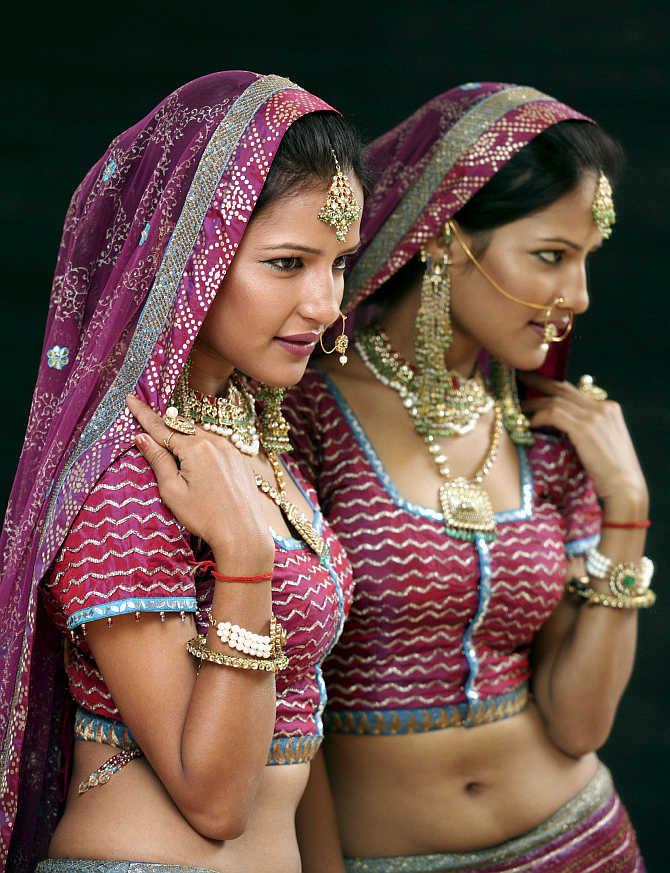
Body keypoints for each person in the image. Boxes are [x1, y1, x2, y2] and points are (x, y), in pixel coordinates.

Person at [0, 69, 366, 873]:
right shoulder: (123, 476)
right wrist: (243, 556)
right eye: (288, 263)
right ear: (189, 256)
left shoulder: (244, 442)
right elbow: (215, 799)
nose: (324, 303)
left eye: (339, 264)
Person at [288, 82, 650, 872]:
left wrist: (628, 509)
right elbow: (288, 703)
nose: (578, 297)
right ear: (446, 237)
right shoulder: (305, 417)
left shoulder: (547, 431)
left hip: (579, 839)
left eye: (585, 261)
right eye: (551, 256)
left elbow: (579, 725)